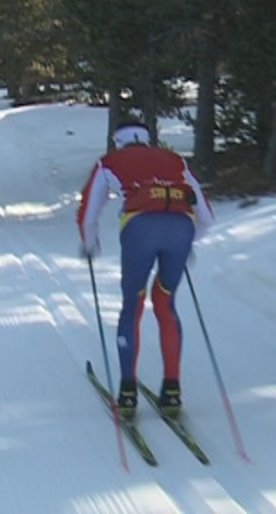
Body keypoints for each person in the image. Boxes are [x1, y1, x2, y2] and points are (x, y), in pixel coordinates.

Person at [77, 121, 215, 420]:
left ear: (119, 141)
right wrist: (189, 242)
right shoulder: (174, 160)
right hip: (180, 227)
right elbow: (206, 215)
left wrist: (90, 244)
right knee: (165, 303)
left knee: (133, 304)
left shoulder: (110, 162)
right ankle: (172, 389)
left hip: (140, 228)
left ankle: (127, 392)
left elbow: (90, 211)